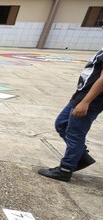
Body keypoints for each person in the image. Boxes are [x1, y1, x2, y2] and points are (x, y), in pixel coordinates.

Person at [38, 46, 102, 181]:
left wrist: (86, 101)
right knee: (61, 124)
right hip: (81, 94)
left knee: (75, 132)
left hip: (91, 99)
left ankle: (65, 169)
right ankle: (80, 156)